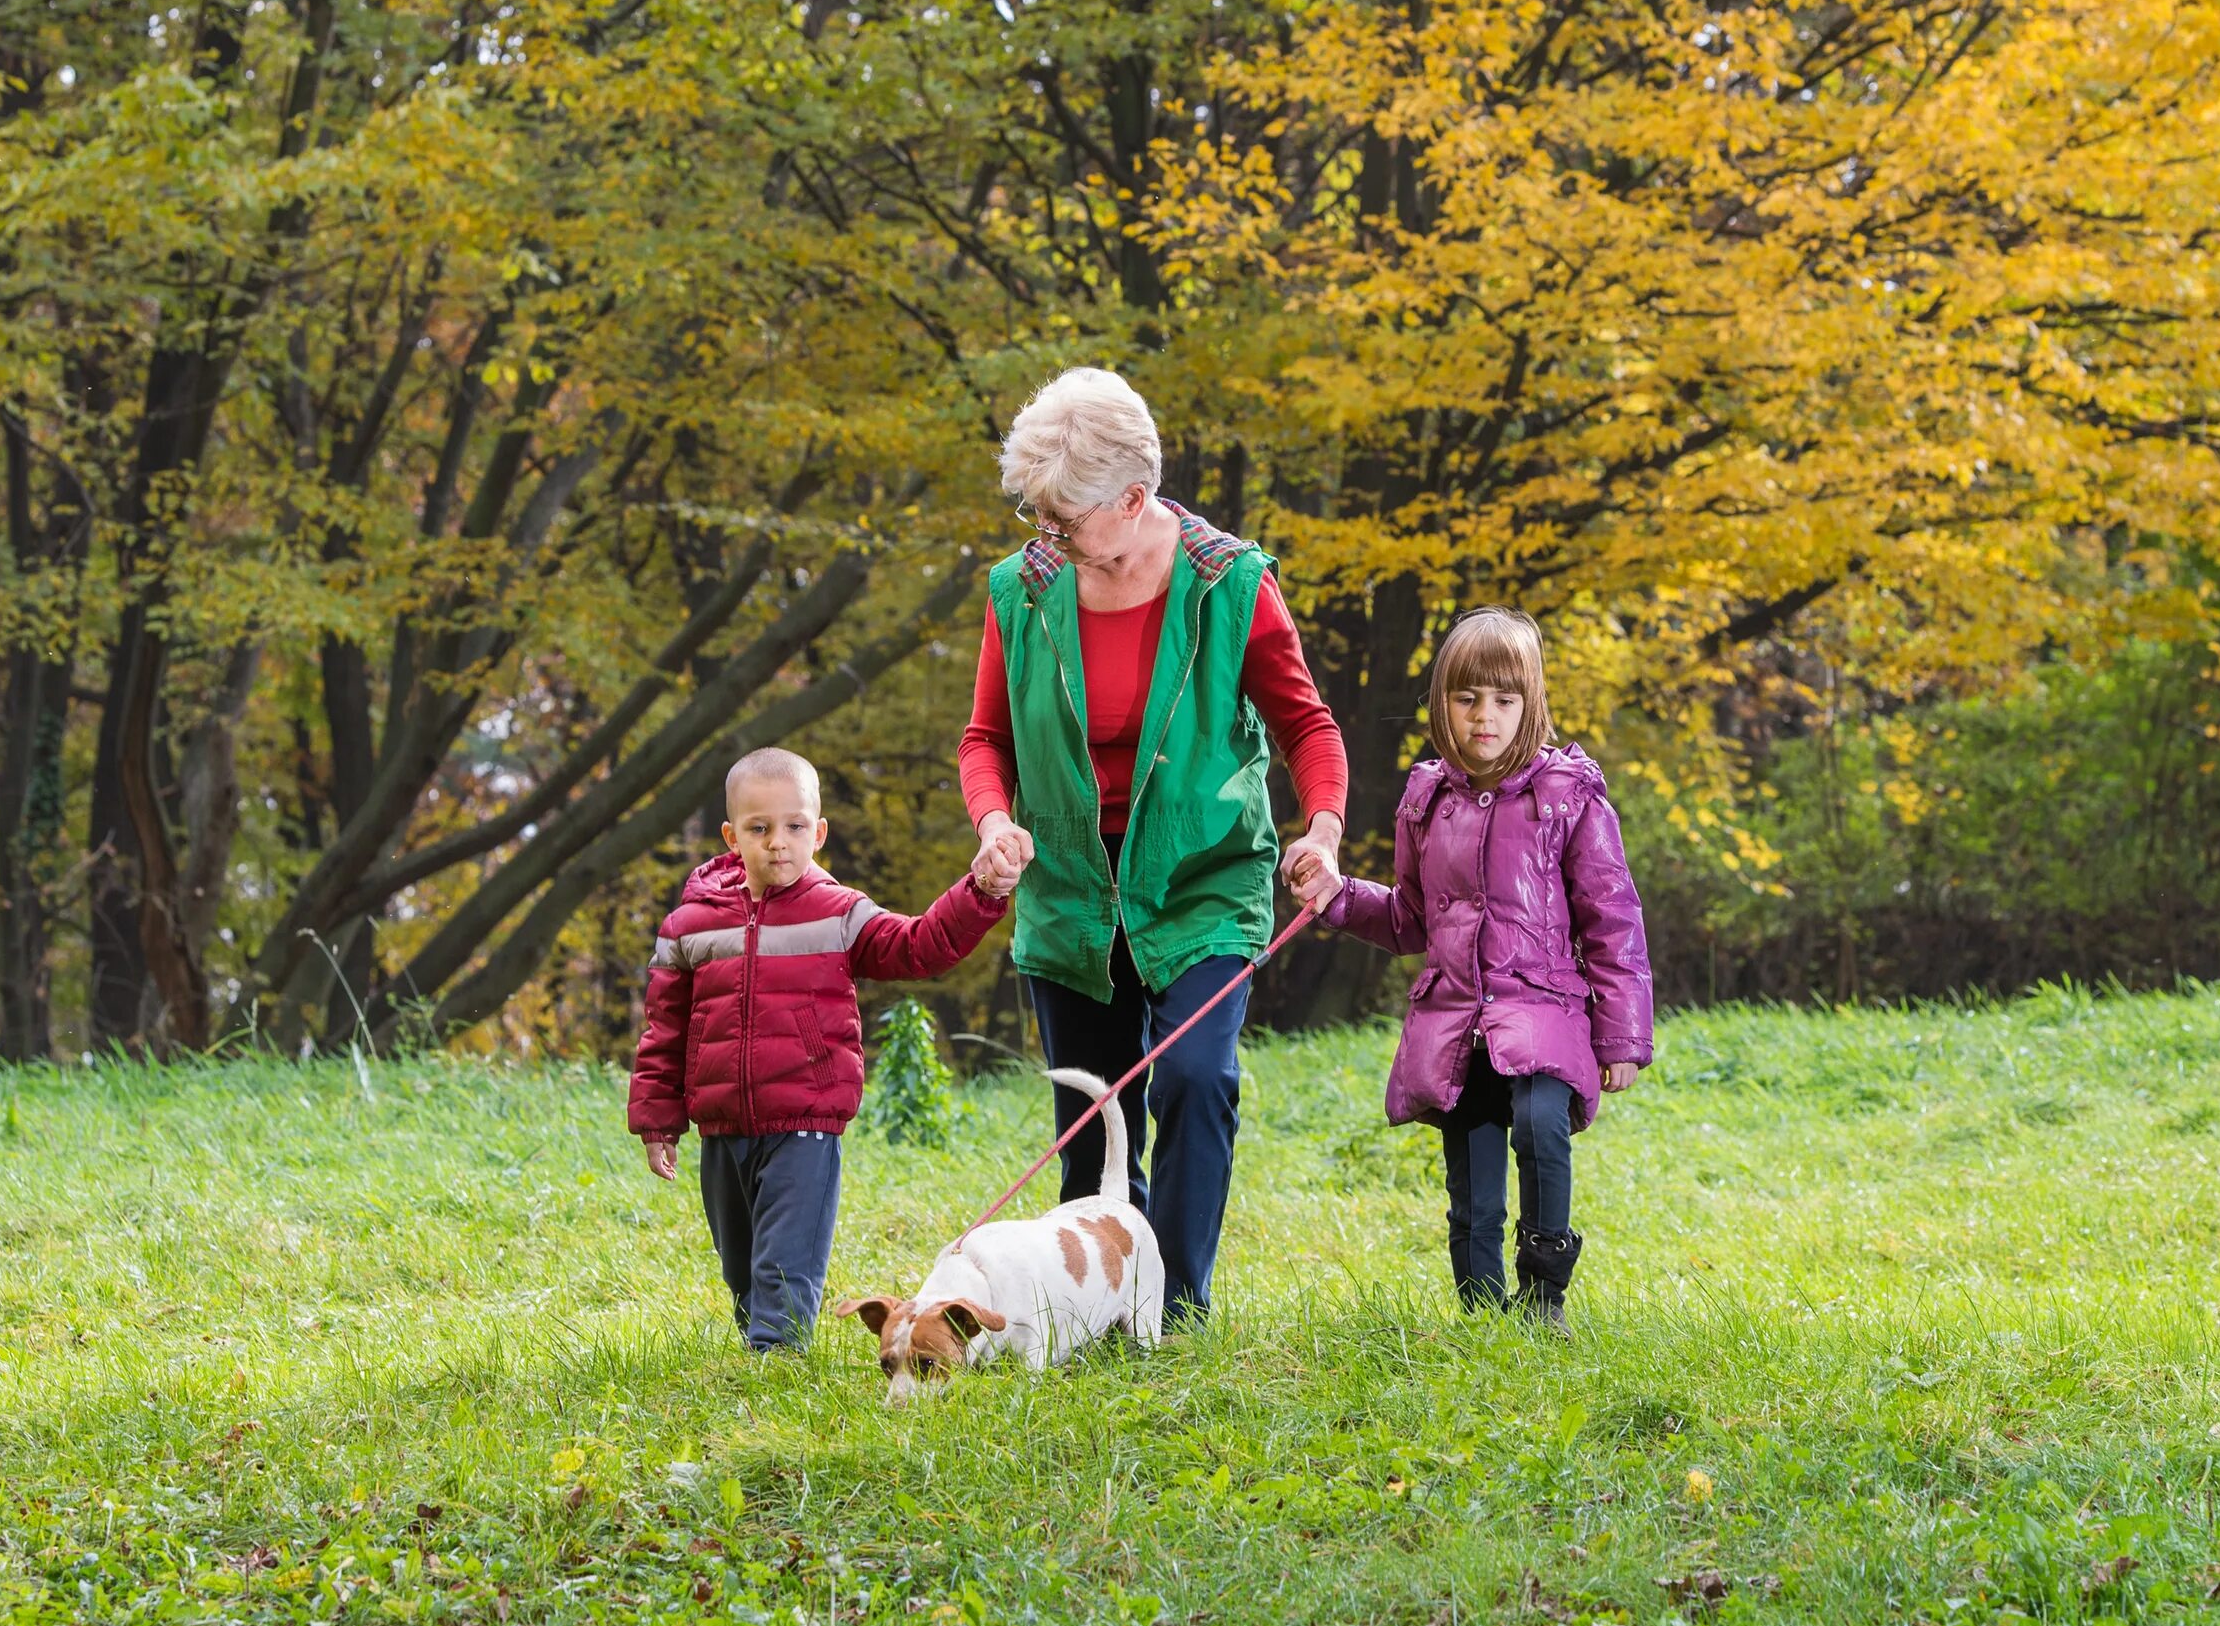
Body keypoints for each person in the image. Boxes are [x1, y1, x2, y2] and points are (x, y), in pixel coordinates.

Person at [960, 367, 1349, 1325]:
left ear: (1133, 500)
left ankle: (1173, 1310)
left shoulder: (1230, 585)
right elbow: (986, 740)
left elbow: (1307, 727)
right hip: (1073, 886)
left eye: (1062, 517)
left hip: (1202, 875)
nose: (1043, 535)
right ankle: (1087, 1314)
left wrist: (1325, 830)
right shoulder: (1023, 593)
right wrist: (994, 821)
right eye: (1036, 514)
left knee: (1195, 1076)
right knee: (1093, 1117)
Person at [1294, 608, 1652, 1331]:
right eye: (1467, 698)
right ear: (1442, 703)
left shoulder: (1568, 797)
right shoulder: (1428, 801)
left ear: (1530, 704)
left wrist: (1620, 1039)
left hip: (1545, 1013)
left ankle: (1545, 1292)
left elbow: (1613, 922)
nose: (1484, 716)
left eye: (1504, 699)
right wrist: (1338, 897)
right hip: (1458, 1021)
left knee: (1539, 1124)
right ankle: (1484, 1315)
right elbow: (1409, 919)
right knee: (1474, 1182)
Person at [629, 746, 1013, 1351]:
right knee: (741, 1264)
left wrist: (981, 891)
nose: (778, 842)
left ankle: (777, 1359)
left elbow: (919, 946)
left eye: (794, 827)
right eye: (759, 829)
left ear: (819, 832)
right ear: (732, 836)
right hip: (723, 1127)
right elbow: (665, 1028)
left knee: (784, 1262)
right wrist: (658, 1121)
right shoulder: (690, 925)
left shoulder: (837, 913)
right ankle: (763, 1337)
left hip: (806, 1123)